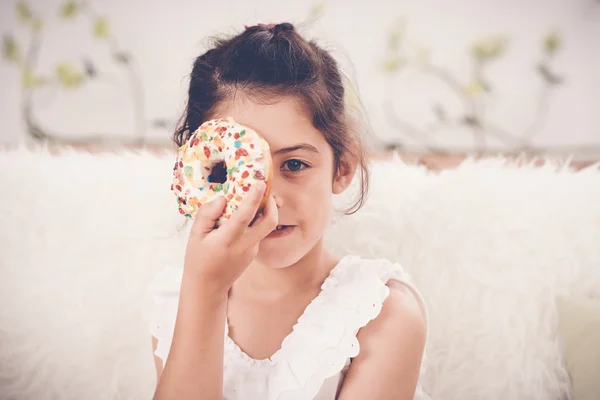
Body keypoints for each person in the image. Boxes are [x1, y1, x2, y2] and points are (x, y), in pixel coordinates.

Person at [146, 22, 429, 400]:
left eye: (294, 165)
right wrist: (205, 292)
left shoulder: (382, 316)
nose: (268, 200)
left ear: (342, 168)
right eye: (230, 170)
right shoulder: (176, 300)